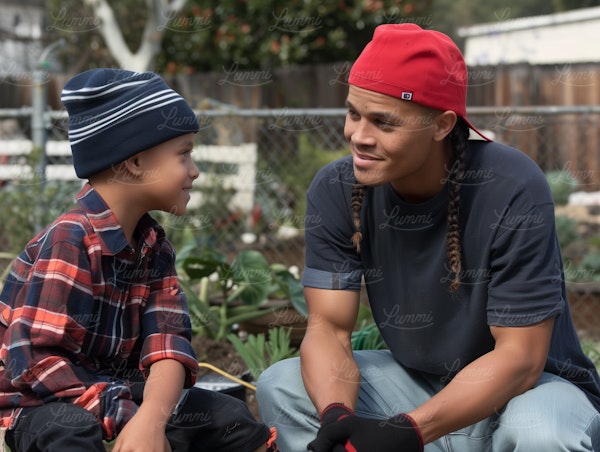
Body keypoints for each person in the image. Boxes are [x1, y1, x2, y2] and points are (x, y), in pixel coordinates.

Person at [256, 23, 600, 452]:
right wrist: (338, 417)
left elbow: (522, 360)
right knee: (282, 385)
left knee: (539, 432)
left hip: (533, 393)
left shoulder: (510, 186)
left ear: (441, 125)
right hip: (419, 387)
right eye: (353, 113)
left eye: (383, 122)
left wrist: (406, 432)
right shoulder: (337, 189)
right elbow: (328, 328)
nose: (359, 137)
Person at [0, 68, 277, 452]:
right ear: (135, 162)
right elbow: (36, 362)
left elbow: (168, 346)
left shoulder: (155, 248)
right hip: (39, 404)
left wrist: (151, 420)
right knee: (70, 431)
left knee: (228, 418)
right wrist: (127, 415)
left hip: (122, 394)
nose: (194, 171)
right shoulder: (70, 239)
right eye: (184, 154)